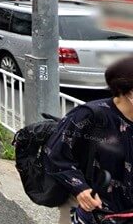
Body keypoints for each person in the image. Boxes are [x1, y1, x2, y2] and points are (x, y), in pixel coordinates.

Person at [46, 56, 133, 224]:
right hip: (88, 207)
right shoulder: (90, 115)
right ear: (128, 91)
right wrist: (80, 188)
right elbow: (56, 153)